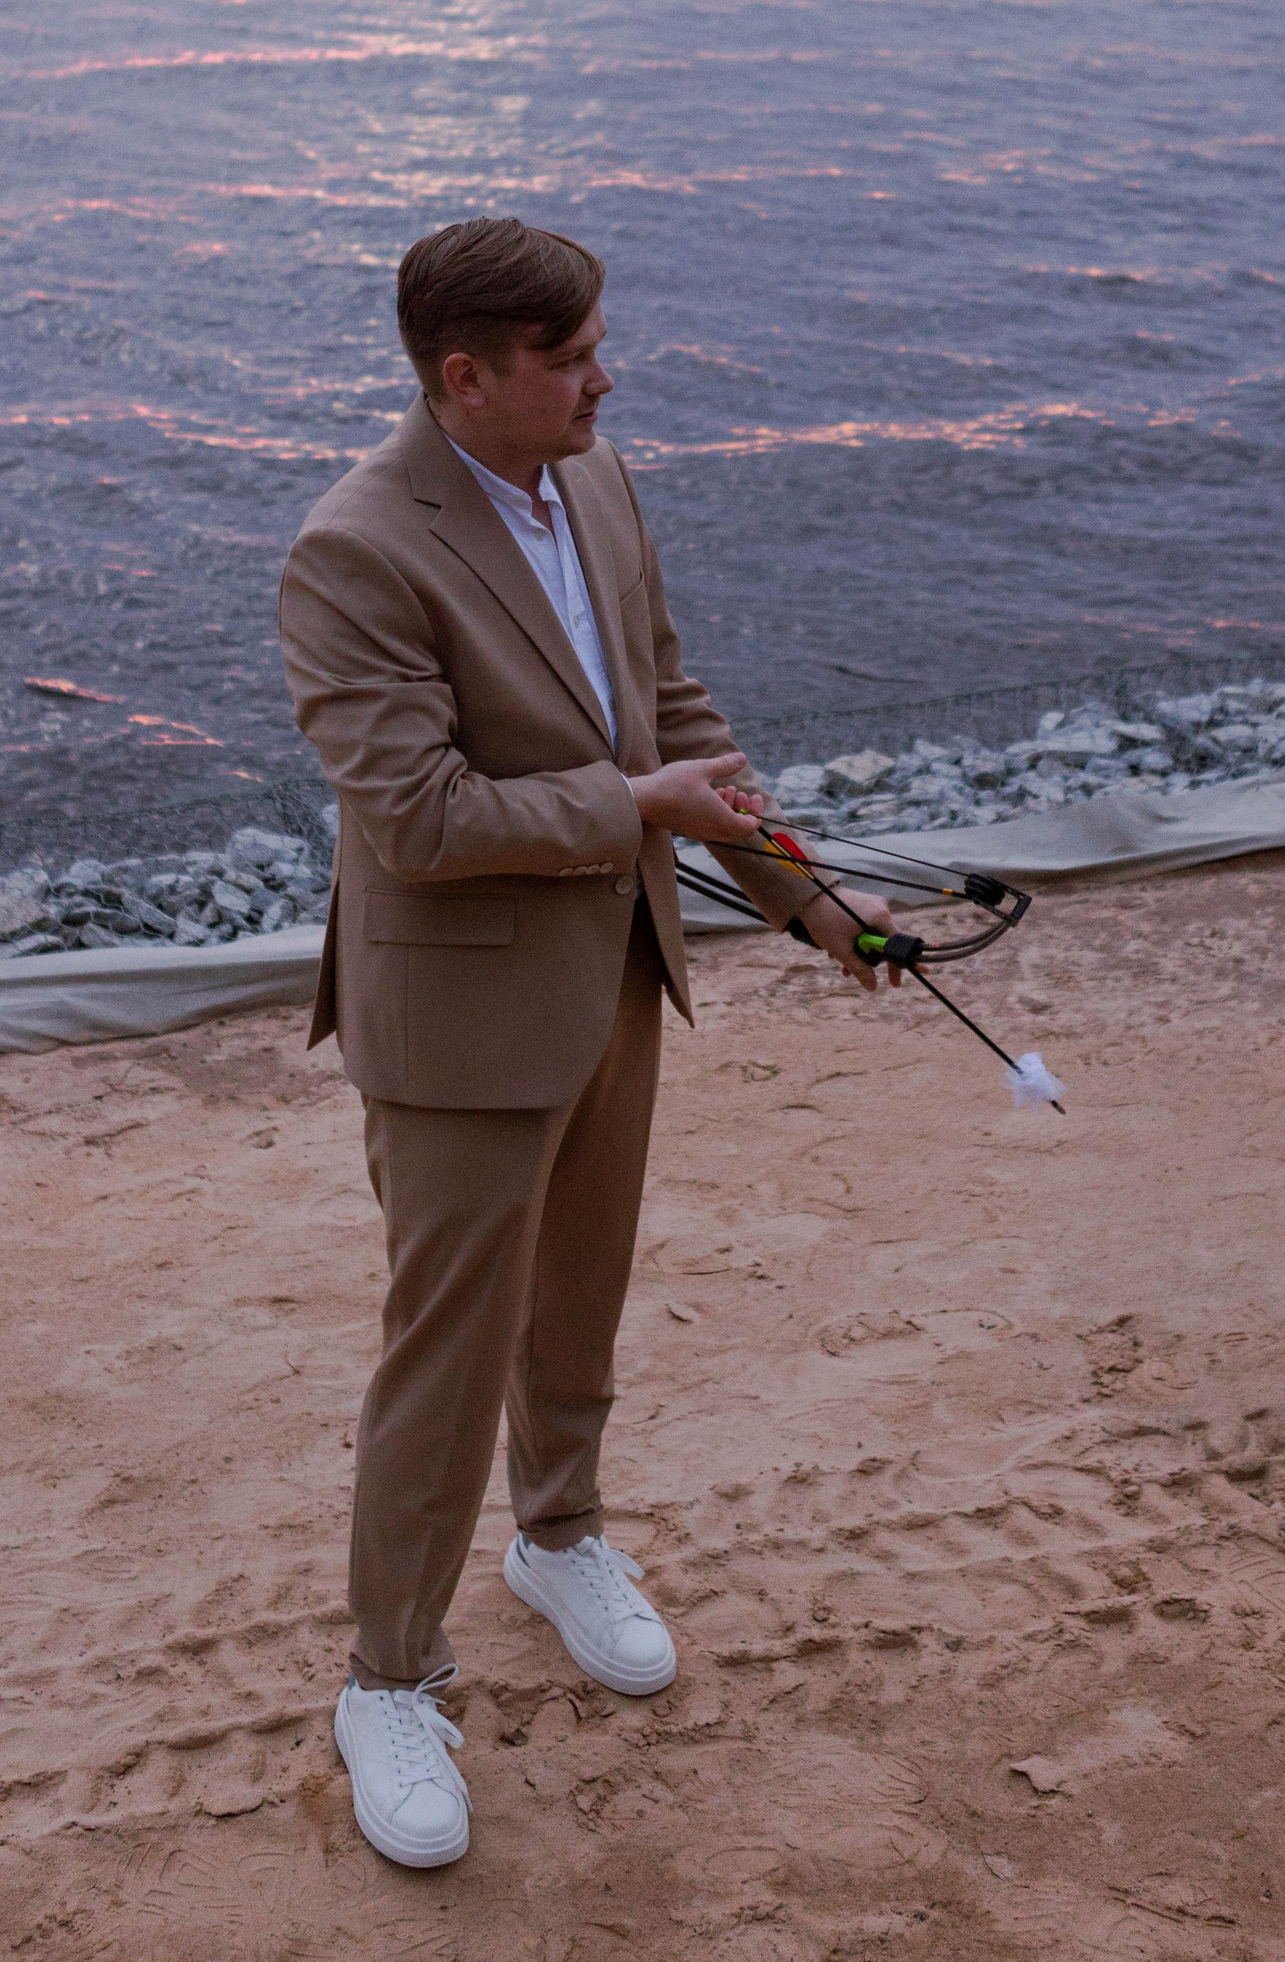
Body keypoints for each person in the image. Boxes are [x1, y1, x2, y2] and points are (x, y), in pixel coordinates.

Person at [278, 216, 892, 1871]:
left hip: (614, 969)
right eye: (569, 359)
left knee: (580, 1298)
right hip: (457, 1012)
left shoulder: (598, 480)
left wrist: (812, 900)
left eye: (597, 345)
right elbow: (417, 817)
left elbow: (672, 712)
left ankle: (559, 1537)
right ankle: (388, 1679)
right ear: (464, 377)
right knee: (447, 1348)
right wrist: (636, 808)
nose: (605, 379)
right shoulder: (352, 550)